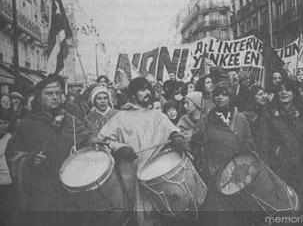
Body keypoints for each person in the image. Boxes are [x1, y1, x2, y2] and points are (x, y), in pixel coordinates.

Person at [5, 75, 93, 225]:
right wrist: (30, 160)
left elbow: (86, 138)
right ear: (39, 97)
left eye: (58, 93)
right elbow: (13, 155)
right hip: (41, 192)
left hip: (70, 191)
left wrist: (94, 141)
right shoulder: (26, 124)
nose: (55, 97)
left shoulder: (71, 121)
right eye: (49, 93)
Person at [98, 77, 187, 226]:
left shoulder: (157, 115)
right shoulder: (120, 117)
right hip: (130, 177)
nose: (147, 92)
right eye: (142, 89)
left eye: (148, 89)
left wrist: (176, 136)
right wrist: (119, 148)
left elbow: (171, 129)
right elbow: (102, 140)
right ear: (133, 94)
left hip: (156, 178)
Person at [191, 81, 254, 226]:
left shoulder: (241, 118)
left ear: (230, 97)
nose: (220, 97)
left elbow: (249, 140)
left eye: (224, 94)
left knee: (240, 212)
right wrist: (198, 137)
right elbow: (196, 145)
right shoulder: (206, 119)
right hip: (216, 173)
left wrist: (245, 153)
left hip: (238, 172)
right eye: (217, 94)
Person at [260, 79, 303, 209]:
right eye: (280, 90)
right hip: (282, 167)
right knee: (287, 204)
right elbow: (264, 143)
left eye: (287, 89)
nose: (284, 92)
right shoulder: (269, 114)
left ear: (294, 93)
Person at [0, 113, 14, 226]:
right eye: (0, 123)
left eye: (5, 123)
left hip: (8, 179)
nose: (2, 126)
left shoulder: (11, 138)